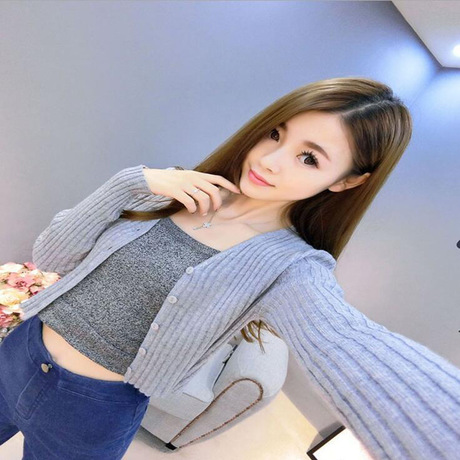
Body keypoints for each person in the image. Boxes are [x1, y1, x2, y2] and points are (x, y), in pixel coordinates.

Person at [1, 76, 459, 459]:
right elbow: (52, 258)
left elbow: (344, 339)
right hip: (18, 350)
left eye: (309, 158)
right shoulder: (173, 189)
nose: (269, 161)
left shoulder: (292, 266)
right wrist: (126, 183)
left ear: (347, 181)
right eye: (275, 134)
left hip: (88, 412)